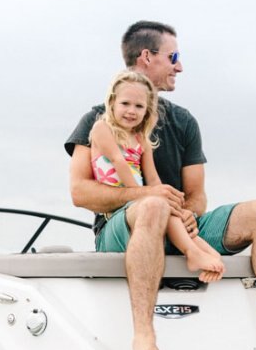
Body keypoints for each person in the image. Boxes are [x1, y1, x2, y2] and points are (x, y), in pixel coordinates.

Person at [66, 20, 256, 350]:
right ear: (147, 57)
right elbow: (80, 192)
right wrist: (149, 195)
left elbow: (196, 195)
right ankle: (144, 342)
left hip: (180, 225)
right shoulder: (99, 120)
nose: (180, 66)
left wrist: (188, 215)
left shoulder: (184, 121)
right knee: (152, 206)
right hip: (123, 228)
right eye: (173, 57)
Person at [89, 70, 225, 284]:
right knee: (156, 204)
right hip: (119, 208)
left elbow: (153, 179)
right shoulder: (102, 128)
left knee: (166, 208)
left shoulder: (141, 138)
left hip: (141, 199)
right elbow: (118, 161)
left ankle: (205, 252)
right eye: (125, 104)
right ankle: (192, 252)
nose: (131, 111)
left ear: (147, 111)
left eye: (139, 106)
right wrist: (140, 194)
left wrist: (171, 202)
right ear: (112, 102)